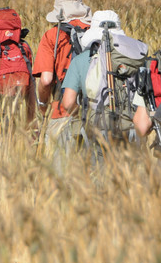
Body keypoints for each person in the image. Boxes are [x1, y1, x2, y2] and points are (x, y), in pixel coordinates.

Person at [59, 10, 151, 156]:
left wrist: (85, 115)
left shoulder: (81, 61)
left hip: (96, 131)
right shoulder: (137, 60)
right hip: (132, 131)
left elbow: (68, 102)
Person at [32, 0, 92, 113]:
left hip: (62, 110)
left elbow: (46, 80)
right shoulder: (96, 32)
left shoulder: (53, 35)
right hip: (96, 111)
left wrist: (43, 106)